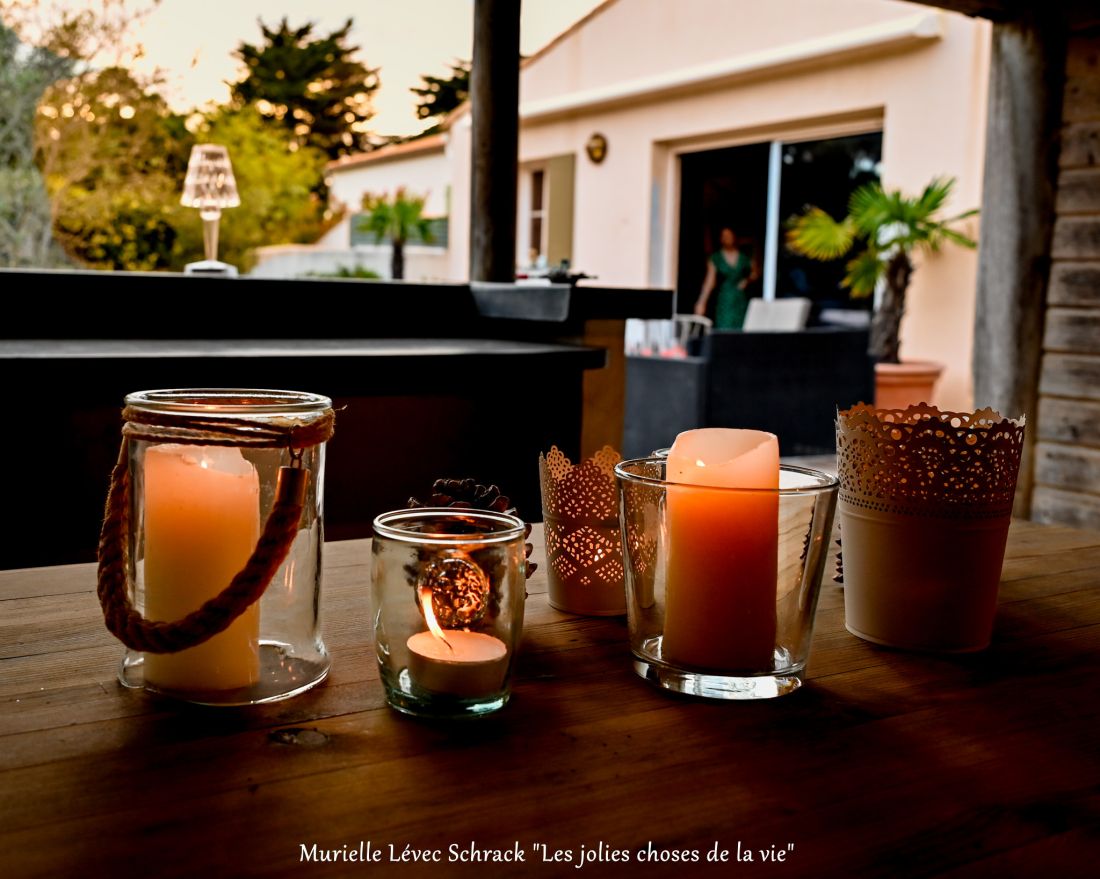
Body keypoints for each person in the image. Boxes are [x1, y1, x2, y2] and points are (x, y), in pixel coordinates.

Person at [693, 228, 759, 329]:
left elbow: (755, 272)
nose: (727, 239)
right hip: (725, 300)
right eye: (724, 236)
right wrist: (702, 301)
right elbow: (710, 282)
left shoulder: (744, 256)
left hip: (740, 299)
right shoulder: (716, 258)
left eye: (729, 236)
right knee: (725, 327)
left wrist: (747, 280)